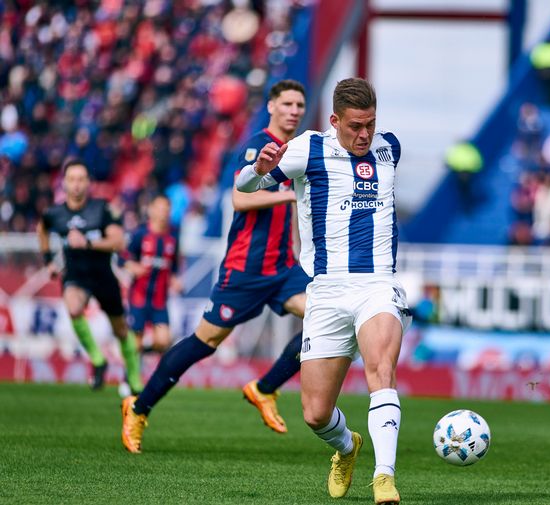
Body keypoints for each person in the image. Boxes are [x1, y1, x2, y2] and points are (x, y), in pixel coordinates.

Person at [236, 77, 411, 505]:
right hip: (327, 291)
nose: (364, 134)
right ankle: (348, 448)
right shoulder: (306, 149)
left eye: (370, 124)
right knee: (315, 413)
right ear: (334, 120)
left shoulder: (390, 148)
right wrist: (258, 171)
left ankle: (384, 478)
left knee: (380, 371)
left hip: (377, 285)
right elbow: (243, 188)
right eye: (354, 126)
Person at [121, 79, 310, 452]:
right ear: (271, 106)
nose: (294, 110)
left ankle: (265, 388)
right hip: (245, 268)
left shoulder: (298, 150)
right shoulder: (260, 145)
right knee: (204, 342)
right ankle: (139, 408)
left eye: (300, 105)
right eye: (287, 103)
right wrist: (286, 194)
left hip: (284, 267)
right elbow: (239, 199)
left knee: (324, 322)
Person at [37, 158, 142, 394]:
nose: (76, 184)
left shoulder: (102, 209)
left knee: (121, 331)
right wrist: (48, 261)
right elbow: (41, 229)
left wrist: (88, 242)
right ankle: (97, 359)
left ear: (88, 183)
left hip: (103, 275)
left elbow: (117, 241)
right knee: (73, 307)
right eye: (72, 179)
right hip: (76, 275)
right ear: (64, 183)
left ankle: (134, 377)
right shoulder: (55, 214)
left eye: (81, 179)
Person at [121, 194, 181, 353]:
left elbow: (173, 265)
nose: (163, 213)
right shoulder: (140, 234)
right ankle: (129, 377)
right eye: (160, 208)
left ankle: (144, 353)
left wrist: (175, 279)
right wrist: (133, 267)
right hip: (139, 297)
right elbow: (123, 258)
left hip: (160, 301)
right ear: (151, 210)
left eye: (166, 209)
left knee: (163, 341)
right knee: (135, 343)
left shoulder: (173, 237)